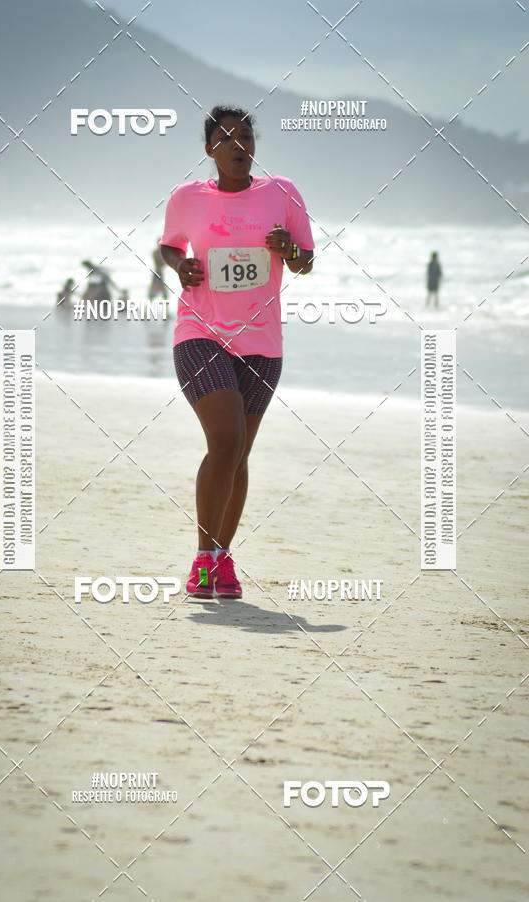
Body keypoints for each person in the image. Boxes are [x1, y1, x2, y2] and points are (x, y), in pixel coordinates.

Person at [160, 104, 314, 600]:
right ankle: (203, 559)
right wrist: (180, 264)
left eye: (245, 137)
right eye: (226, 138)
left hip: (262, 343)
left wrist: (288, 249)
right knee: (225, 443)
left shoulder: (282, 193)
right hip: (200, 332)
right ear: (210, 150)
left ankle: (223, 558)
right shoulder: (187, 198)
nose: (237, 145)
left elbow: (304, 261)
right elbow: (168, 245)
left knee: (240, 453)